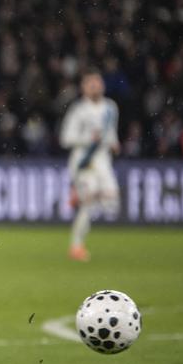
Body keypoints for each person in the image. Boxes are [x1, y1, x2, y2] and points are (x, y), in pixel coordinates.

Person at [60, 72, 120, 261]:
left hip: (102, 160)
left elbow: (110, 133)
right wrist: (88, 139)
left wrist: (113, 143)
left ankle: (78, 194)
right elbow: (66, 139)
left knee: (112, 201)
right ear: (83, 87)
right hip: (83, 160)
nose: (95, 85)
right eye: (90, 83)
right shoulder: (79, 110)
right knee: (89, 202)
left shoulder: (111, 108)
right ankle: (76, 247)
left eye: (97, 82)